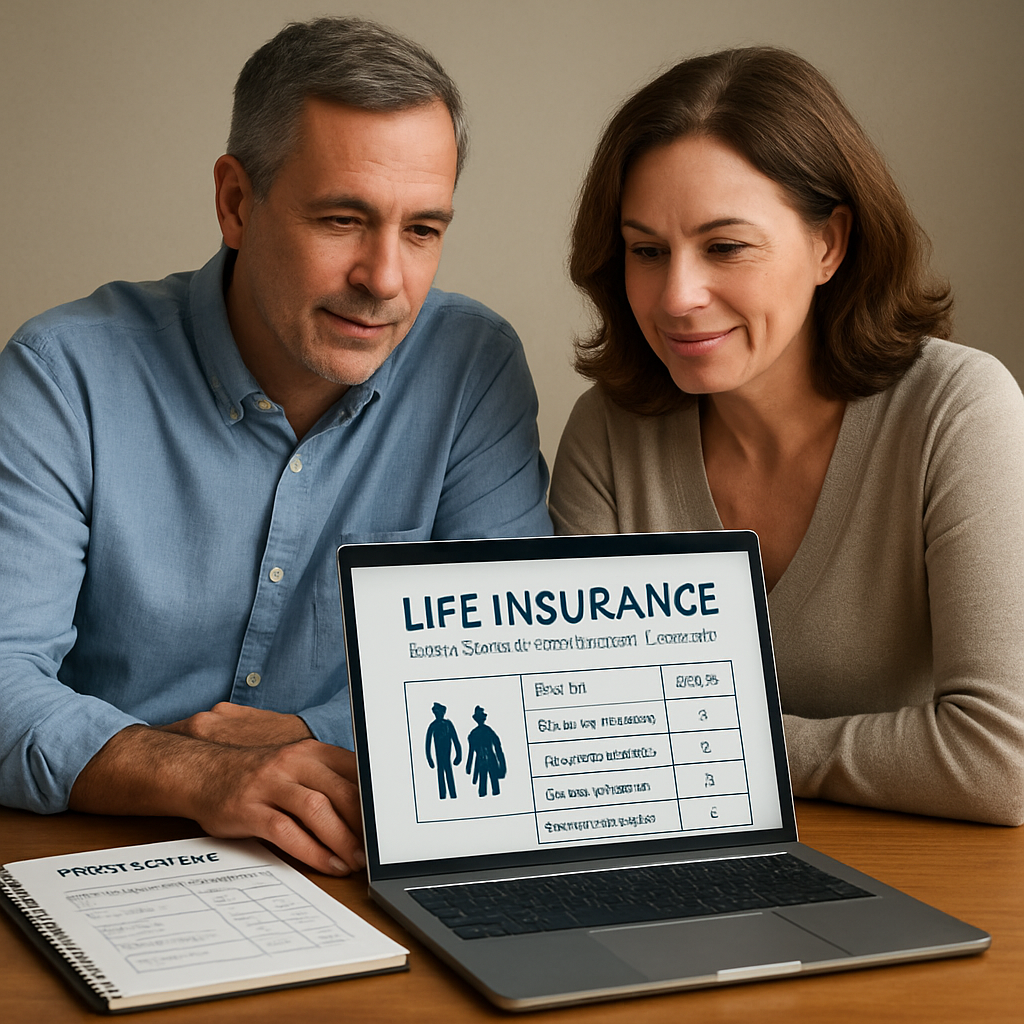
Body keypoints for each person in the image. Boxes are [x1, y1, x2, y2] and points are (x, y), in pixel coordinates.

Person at [0, 17, 551, 875]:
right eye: (342, 219)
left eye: (422, 230)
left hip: (357, 854)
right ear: (235, 202)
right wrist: (198, 774)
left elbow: (518, 670)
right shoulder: (61, 373)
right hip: (103, 854)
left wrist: (298, 737)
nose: (385, 280)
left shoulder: (472, 367)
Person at [549, 47, 1024, 826]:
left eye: (725, 246)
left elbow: (1001, 762)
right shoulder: (608, 434)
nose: (677, 295)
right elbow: (580, 737)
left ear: (830, 244)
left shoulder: (959, 412)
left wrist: (710, 751)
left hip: (926, 880)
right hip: (680, 877)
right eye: (647, 251)